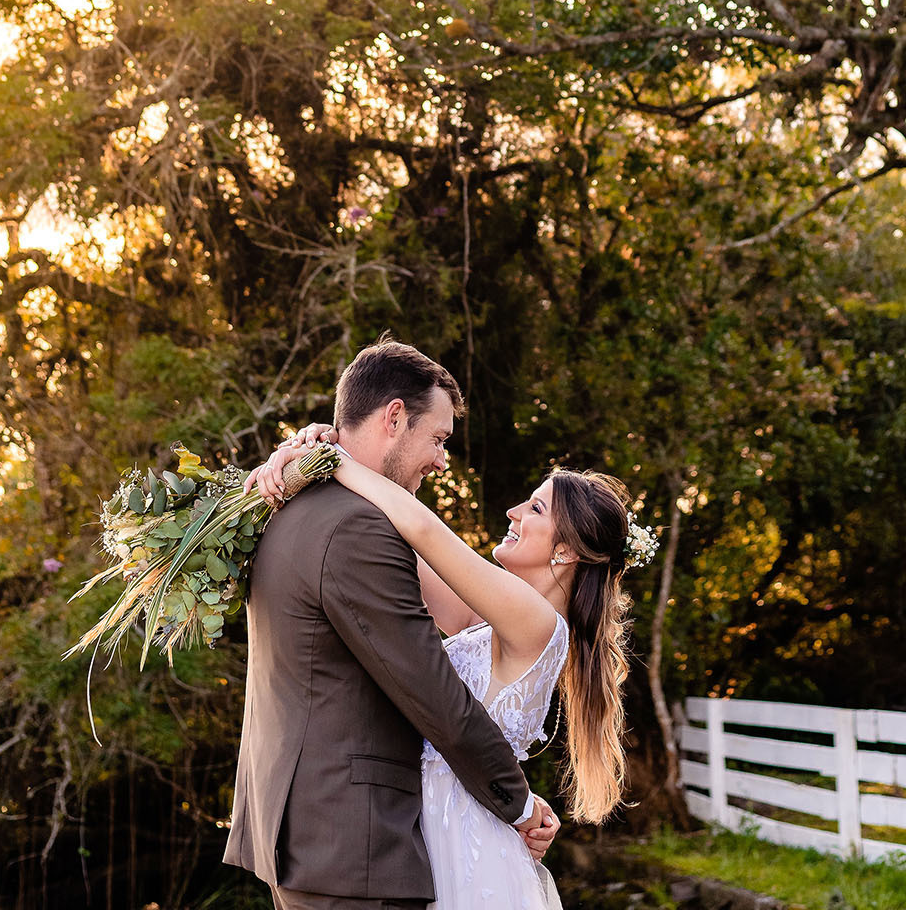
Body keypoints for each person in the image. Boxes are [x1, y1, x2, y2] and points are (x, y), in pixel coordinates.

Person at [251, 405, 639, 910]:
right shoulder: (491, 620)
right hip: (438, 825)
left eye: (536, 510)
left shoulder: (539, 623)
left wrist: (337, 461)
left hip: (464, 843)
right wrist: (318, 448)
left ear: (565, 552)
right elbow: (394, 543)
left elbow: (424, 532)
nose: (513, 513)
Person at [223, 339, 559, 910]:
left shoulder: (291, 504)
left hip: (306, 835)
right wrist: (520, 804)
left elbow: (454, 614)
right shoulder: (358, 529)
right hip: (353, 846)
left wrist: (315, 446)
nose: (441, 459)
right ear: (395, 418)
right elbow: (432, 692)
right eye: (438, 438)